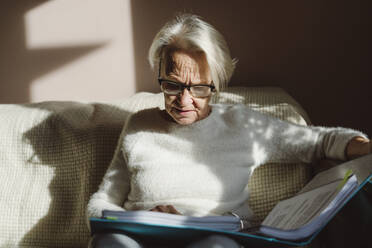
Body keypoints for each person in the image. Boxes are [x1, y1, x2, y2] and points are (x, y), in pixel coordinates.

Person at [87, 14, 371, 248]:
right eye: (172, 85)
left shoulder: (243, 125)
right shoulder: (138, 126)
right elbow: (103, 201)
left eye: (199, 88)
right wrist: (131, 219)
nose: (184, 101)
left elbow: (321, 141)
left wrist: (364, 146)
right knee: (109, 242)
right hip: (140, 240)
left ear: (217, 83)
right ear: (159, 77)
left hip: (213, 239)